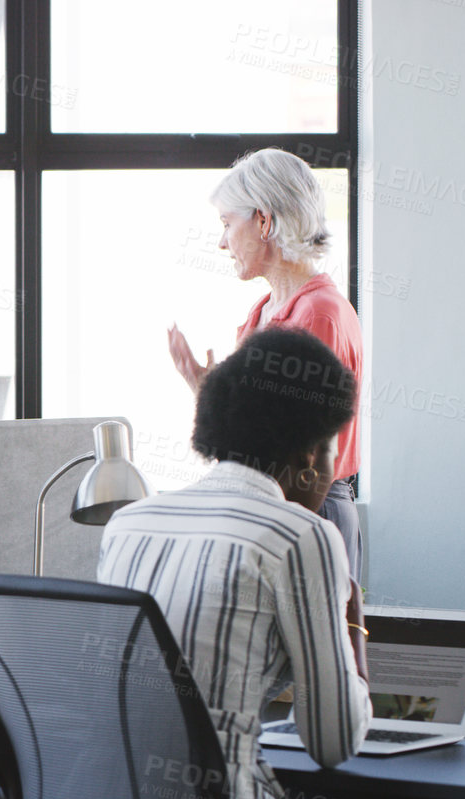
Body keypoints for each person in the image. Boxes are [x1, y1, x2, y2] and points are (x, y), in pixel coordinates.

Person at [57, 327, 441, 799]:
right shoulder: (303, 536)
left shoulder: (131, 524)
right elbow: (333, 743)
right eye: (331, 450)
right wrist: (351, 627)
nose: (332, 471)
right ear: (306, 454)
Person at [164, 147, 367, 580]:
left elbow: (304, 456)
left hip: (308, 507)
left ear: (263, 220)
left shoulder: (317, 314)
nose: (221, 241)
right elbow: (255, 439)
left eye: (226, 223)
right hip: (265, 502)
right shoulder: (261, 313)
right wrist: (206, 393)